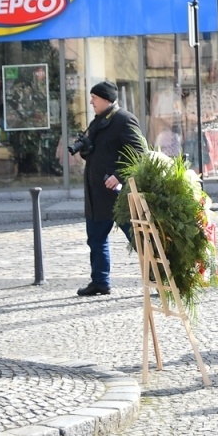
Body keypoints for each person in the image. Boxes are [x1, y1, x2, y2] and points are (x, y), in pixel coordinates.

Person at [75, 81, 147, 297]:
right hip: (97, 194)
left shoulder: (124, 119)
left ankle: (159, 277)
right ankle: (100, 282)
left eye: (94, 98)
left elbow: (139, 152)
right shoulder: (97, 122)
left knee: (138, 239)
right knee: (96, 240)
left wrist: (119, 175)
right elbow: (96, 152)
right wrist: (85, 148)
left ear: (106, 99)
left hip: (119, 195)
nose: (91, 102)